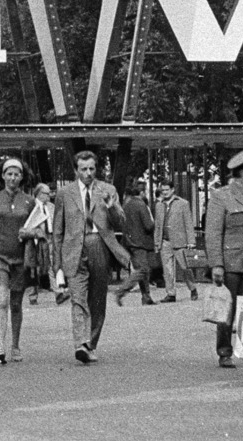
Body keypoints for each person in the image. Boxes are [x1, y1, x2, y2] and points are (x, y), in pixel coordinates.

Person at [52, 150, 133, 365]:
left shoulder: (108, 190)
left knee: (97, 300)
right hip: (74, 249)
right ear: (76, 170)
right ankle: (81, 343)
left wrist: (111, 205)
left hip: (100, 246)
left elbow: (120, 223)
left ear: (96, 169)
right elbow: (57, 230)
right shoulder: (65, 193)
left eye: (91, 169)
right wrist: (56, 264)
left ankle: (92, 344)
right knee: (78, 298)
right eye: (83, 169)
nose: (88, 173)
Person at [207, 149, 243, 368]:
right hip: (231, 263)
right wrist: (217, 265)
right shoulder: (221, 196)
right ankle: (224, 351)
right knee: (226, 310)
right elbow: (213, 233)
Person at [0, 158, 34, 364]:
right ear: (2, 176)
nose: (13, 178)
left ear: (22, 177)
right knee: (2, 300)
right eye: (9, 174)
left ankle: (15, 345)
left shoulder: (29, 201)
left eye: (17, 174)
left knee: (16, 304)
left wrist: (30, 232)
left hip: (20, 258)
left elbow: (40, 229)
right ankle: (0, 346)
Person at [111, 180, 156, 306]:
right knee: (143, 269)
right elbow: (148, 225)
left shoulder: (127, 204)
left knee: (141, 269)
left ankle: (146, 297)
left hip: (129, 242)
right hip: (140, 242)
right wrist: (154, 224)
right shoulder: (141, 205)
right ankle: (122, 290)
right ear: (142, 192)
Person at [153, 179, 197, 302]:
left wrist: (191, 241)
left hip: (180, 241)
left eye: (167, 190)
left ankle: (193, 288)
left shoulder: (183, 203)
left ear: (173, 190)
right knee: (167, 270)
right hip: (165, 241)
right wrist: (157, 242)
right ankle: (171, 294)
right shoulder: (159, 205)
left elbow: (188, 223)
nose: (165, 192)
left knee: (185, 268)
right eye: (163, 190)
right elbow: (157, 225)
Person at [23, 183, 58, 305]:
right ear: (39, 194)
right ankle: (33, 294)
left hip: (49, 239)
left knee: (51, 264)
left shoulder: (52, 207)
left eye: (50, 193)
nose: (49, 196)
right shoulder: (30, 206)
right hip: (35, 240)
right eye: (46, 193)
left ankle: (58, 292)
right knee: (35, 267)